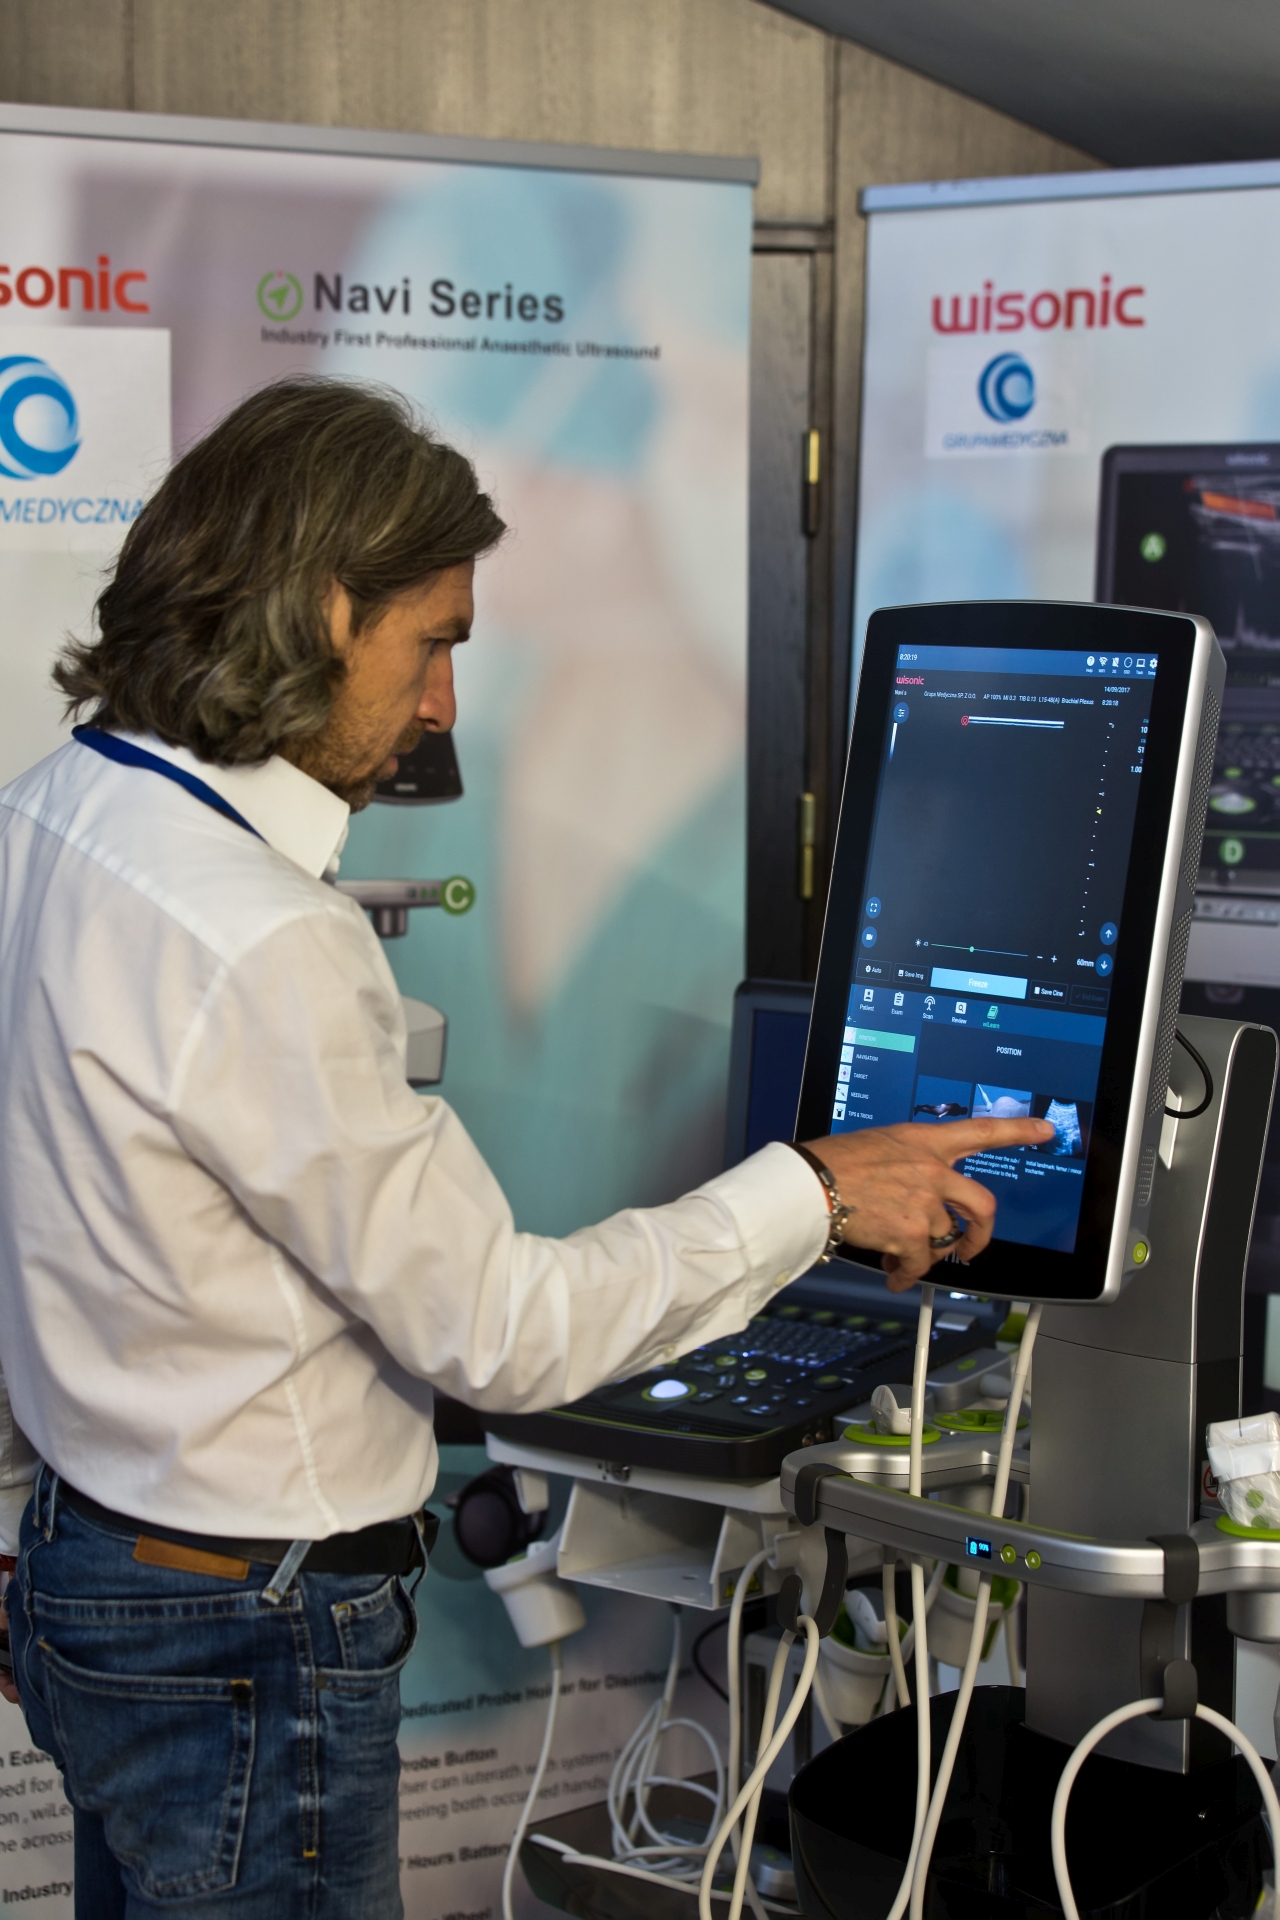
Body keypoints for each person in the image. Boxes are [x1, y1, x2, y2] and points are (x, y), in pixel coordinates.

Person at [0, 378, 1049, 1918]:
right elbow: (499, 1331)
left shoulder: (56, 809)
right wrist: (817, 1192)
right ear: (321, 609)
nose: (442, 706)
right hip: (247, 1638)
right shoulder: (262, 936)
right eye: (432, 644)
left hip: (100, 1574)